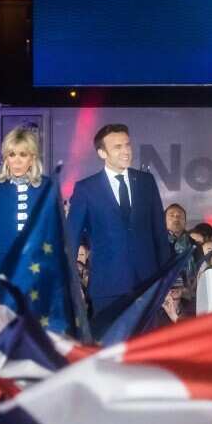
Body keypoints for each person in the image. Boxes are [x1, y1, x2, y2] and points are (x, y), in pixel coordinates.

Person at [66, 124, 172, 316]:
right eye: (117, 147)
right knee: (111, 336)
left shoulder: (146, 182)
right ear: (102, 153)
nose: (126, 151)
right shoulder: (86, 189)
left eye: (127, 145)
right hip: (107, 287)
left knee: (148, 336)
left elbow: (159, 233)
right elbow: (71, 239)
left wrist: (165, 280)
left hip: (148, 284)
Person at [0, 125, 48, 282]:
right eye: (12, 154)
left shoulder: (47, 186)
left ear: (32, 158)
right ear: (5, 158)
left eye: (23, 155)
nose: (17, 161)